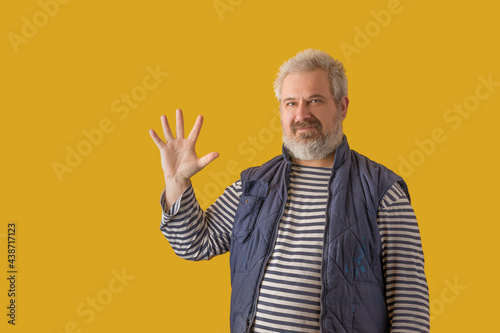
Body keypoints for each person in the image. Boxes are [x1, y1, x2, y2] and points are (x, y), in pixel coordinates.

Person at [149, 49, 430, 333]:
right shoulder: (253, 186)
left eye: (315, 101)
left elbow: (411, 308)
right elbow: (194, 244)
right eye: (290, 103)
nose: (301, 114)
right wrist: (176, 181)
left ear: (342, 106)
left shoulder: (382, 192)